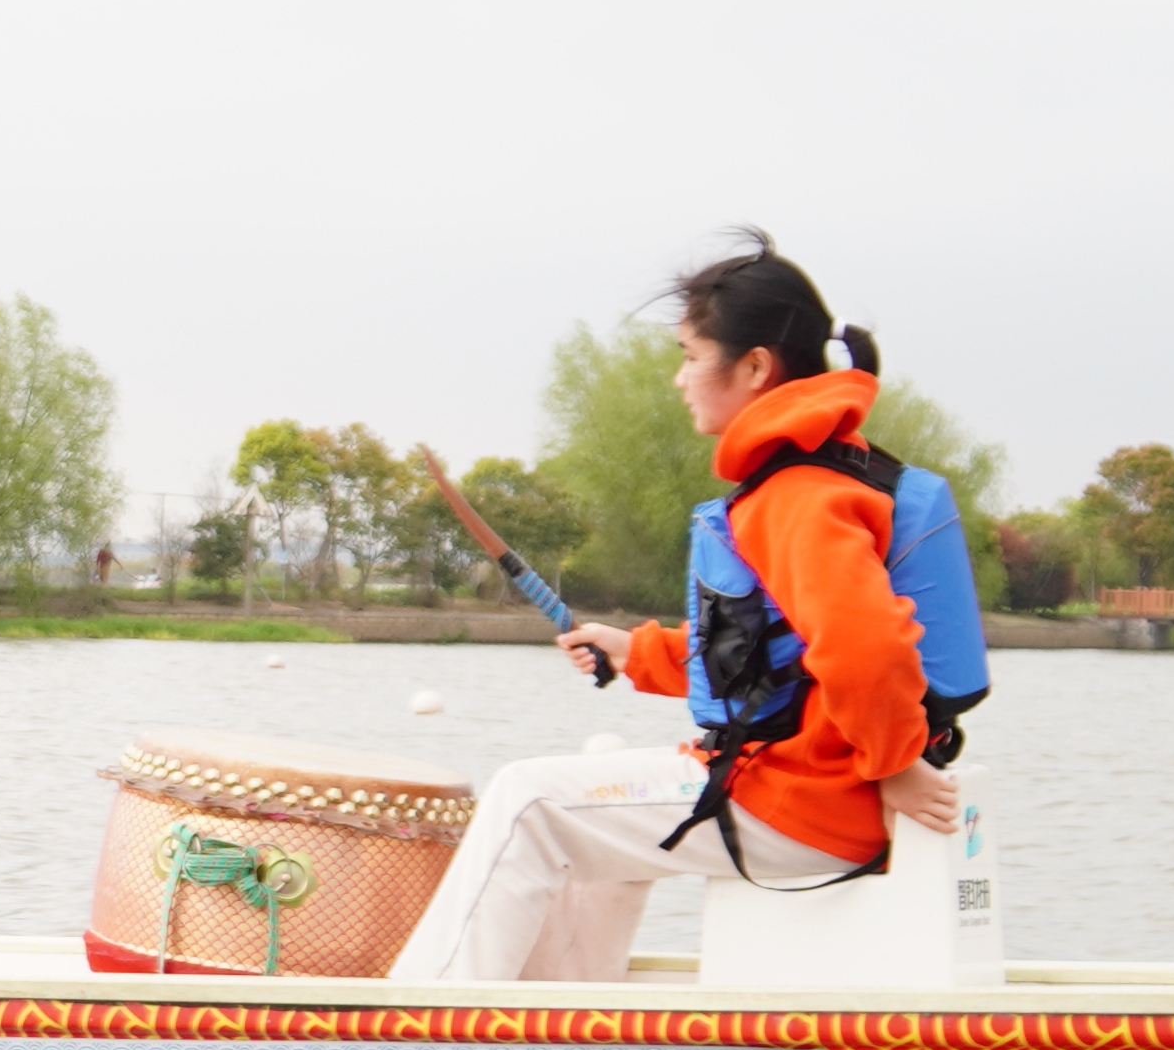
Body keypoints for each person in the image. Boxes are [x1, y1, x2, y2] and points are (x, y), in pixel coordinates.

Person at [389, 234, 989, 984]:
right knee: (590, 810)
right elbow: (777, 652)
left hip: (805, 801)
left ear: (755, 368)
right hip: (814, 791)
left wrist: (894, 764)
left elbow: (864, 648)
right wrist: (636, 652)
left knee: (526, 800)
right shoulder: (830, 473)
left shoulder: (794, 496)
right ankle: (563, 1024)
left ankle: (417, 1025)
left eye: (689, 355)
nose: (678, 378)